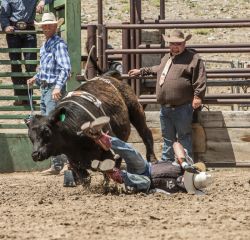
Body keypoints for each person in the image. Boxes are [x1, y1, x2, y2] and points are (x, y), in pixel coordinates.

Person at [128, 29, 207, 161]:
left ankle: (186, 166)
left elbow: (200, 78)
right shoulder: (167, 57)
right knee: (168, 138)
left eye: (178, 44)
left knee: (183, 137)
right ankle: (167, 167)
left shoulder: (193, 58)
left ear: (184, 44)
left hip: (182, 107)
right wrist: (141, 71)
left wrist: (198, 96)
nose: (175, 47)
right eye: (172, 44)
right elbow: (158, 69)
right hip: (165, 107)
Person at [80, 116, 212, 194]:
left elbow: (154, 192)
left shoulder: (176, 192)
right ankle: (101, 137)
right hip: (145, 168)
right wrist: (183, 163)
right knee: (132, 152)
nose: (184, 182)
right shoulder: (185, 165)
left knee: (143, 182)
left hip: (146, 183)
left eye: (188, 183)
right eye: (187, 179)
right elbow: (177, 145)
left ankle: (111, 170)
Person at [27, 12, 71, 175]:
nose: (46, 27)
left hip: (53, 89)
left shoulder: (58, 44)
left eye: (49, 25)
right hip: (45, 89)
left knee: (57, 126)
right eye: (44, 25)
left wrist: (58, 87)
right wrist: (35, 78)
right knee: (49, 127)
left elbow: (65, 68)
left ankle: (68, 162)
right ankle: (57, 164)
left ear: (55, 26)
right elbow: (46, 70)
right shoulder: (45, 45)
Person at [0, 0, 54, 106]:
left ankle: (28, 97)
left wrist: (43, 1)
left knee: (30, 64)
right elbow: (3, 14)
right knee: (15, 64)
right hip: (13, 31)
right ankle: (20, 97)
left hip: (29, 29)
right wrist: (6, 26)